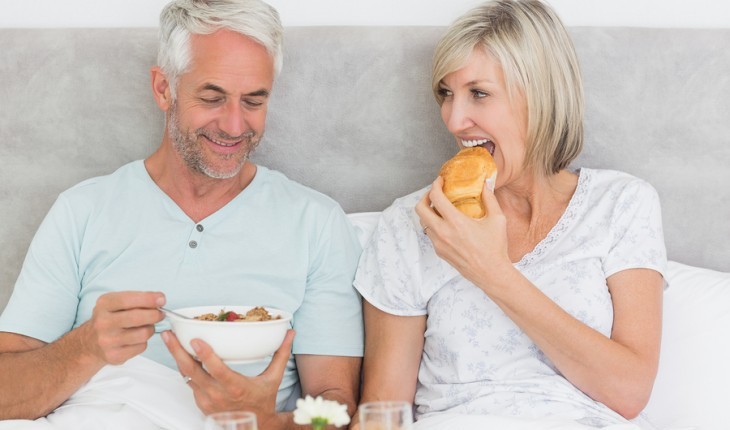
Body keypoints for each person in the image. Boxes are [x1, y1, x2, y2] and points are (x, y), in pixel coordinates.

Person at [0, 0, 363, 427]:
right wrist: (85, 347)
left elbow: (337, 411)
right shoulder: (82, 210)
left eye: (253, 101)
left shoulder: (316, 223)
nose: (233, 125)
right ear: (163, 88)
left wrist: (261, 420)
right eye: (212, 97)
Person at [353, 1, 666, 429]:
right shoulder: (410, 223)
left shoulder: (621, 204)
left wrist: (491, 271)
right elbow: (381, 415)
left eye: (478, 93)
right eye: (446, 93)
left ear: (541, 97)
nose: (454, 119)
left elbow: (629, 392)